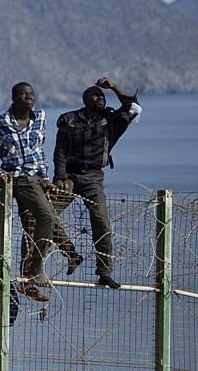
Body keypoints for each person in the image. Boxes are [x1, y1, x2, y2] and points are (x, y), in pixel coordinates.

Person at [51, 77, 142, 289]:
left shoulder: (112, 120)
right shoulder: (69, 119)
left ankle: (104, 271)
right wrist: (60, 177)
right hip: (70, 177)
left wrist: (114, 88)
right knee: (46, 214)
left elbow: (132, 106)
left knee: (101, 222)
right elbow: (61, 152)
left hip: (94, 177)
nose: (100, 98)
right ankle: (71, 253)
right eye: (95, 95)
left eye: (102, 96)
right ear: (85, 100)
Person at [0, 82, 56, 301]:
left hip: (35, 179)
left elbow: (39, 151)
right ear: (13, 97)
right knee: (47, 217)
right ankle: (36, 269)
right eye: (24, 94)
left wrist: (46, 178)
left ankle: (27, 280)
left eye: (31, 94)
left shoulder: (41, 118)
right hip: (16, 179)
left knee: (31, 227)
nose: (29, 97)